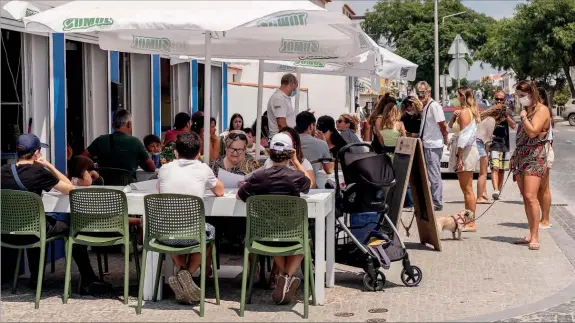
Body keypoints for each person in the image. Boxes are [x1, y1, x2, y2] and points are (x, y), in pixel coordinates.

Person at [1, 134, 106, 294]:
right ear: (36, 153)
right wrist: (48, 165)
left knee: (38, 223)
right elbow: (70, 187)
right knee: (71, 228)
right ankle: (88, 279)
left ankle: (36, 278)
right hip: (34, 231)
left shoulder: (4, 170)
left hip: (7, 233)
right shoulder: (38, 172)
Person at [237, 133, 312, 305]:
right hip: (293, 235)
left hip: (264, 236)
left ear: (269, 152)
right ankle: (286, 276)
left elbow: (240, 195)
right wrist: (297, 162)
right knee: (302, 242)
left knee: (275, 239)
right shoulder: (297, 177)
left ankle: (283, 277)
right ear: (290, 153)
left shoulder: (258, 177)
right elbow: (309, 184)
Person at [157, 131, 225, 304]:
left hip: (164, 235)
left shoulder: (164, 169)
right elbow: (220, 191)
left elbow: (159, 192)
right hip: (193, 234)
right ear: (199, 152)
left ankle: (181, 270)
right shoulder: (203, 169)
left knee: (172, 229)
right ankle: (186, 273)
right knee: (210, 232)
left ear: (176, 152)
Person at [510, 80, 551, 250]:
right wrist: (514, 156)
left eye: (522, 95)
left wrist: (524, 117)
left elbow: (533, 131)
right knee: (525, 198)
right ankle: (531, 232)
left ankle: (535, 236)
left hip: (535, 156)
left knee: (531, 196)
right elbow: (522, 136)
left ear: (532, 93)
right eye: (518, 95)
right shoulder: (527, 110)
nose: (520, 99)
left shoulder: (542, 110)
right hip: (521, 155)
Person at [82, 109, 155, 174]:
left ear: (113, 125)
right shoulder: (136, 142)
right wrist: (139, 162)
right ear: (129, 124)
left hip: (104, 186)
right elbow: (152, 168)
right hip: (127, 186)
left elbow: (81, 158)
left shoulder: (100, 140)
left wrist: (92, 167)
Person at [449, 87, 481, 231]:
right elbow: (452, 129)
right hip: (467, 150)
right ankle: (469, 220)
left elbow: (464, 138)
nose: (455, 98)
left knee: (467, 189)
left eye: (457, 96)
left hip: (466, 152)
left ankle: (471, 222)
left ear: (463, 97)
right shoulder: (467, 112)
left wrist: (459, 157)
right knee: (466, 189)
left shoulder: (465, 113)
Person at [417, 81, 448, 211]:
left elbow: (442, 124)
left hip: (433, 145)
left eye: (422, 92)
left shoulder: (434, 106)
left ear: (428, 92)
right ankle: (431, 200)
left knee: (434, 174)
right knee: (428, 174)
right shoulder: (425, 106)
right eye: (418, 93)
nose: (420, 95)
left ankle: (437, 202)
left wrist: (445, 137)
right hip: (426, 144)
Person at [489, 91, 516, 200]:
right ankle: (495, 189)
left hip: (505, 144)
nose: (499, 101)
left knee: (501, 170)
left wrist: (506, 116)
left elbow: (513, 125)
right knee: (494, 167)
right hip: (493, 143)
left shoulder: (508, 111)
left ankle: (498, 192)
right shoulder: (490, 111)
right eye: (497, 99)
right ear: (494, 99)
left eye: (501, 99)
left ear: (505, 100)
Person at [399, 96, 423, 211]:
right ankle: (409, 201)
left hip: (418, 144)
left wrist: (411, 134)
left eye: (410, 105)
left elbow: (421, 132)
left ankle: (415, 200)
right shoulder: (403, 116)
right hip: (407, 144)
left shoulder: (420, 115)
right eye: (406, 106)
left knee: (418, 172)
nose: (408, 108)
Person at [295, 111, 333, 178]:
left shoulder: (290, 142)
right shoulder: (321, 143)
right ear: (310, 126)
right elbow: (329, 170)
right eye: (314, 125)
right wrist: (324, 144)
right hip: (311, 184)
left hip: (290, 183)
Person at [537, 87, 553, 230]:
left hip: (544, 151)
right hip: (539, 152)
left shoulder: (544, 112)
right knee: (538, 189)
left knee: (544, 187)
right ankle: (543, 217)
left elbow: (539, 134)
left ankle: (546, 219)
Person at [473, 107, 497, 205]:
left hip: (475, 142)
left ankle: (484, 194)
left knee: (481, 173)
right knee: (483, 173)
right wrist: (488, 153)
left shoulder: (484, 118)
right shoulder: (492, 120)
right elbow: (488, 140)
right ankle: (480, 197)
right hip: (480, 144)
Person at [267, 73, 298, 138]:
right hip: (281, 138)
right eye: (295, 88)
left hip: (283, 136)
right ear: (292, 84)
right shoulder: (279, 98)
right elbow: (281, 123)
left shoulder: (283, 97)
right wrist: (291, 137)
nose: (295, 91)